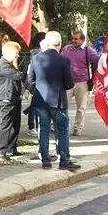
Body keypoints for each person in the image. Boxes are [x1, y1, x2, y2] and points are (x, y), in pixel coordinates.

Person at [28, 31, 80, 171]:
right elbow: (69, 83)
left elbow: (30, 80)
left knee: (43, 130)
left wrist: (37, 90)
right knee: (62, 131)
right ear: (59, 44)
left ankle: (45, 160)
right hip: (57, 100)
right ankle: (64, 160)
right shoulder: (63, 60)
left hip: (40, 100)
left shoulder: (36, 58)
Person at [61, 32, 100, 136]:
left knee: (81, 107)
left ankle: (77, 128)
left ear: (82, 40)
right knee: (63, 106)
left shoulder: (88, 50)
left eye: (76, 39)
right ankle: (62, 126)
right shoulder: (67, 49)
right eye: (73, 38)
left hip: (82, 82)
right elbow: (60, 61)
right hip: (67, 82)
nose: (73, 40)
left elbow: (98, 60)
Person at [0, 41, 25, 160]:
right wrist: (20, 71)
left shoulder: (9, 63)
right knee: (5, 124)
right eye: (16, 53)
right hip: (7, 97)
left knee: (15, 124)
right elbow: (18, 75)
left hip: (14, 97)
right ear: (8, 52)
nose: (17, 56)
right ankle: (1, 151)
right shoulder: (3, 65)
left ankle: (12, 148)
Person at [25, 31, 47, 137]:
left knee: (34, 104)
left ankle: (33, 125)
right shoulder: (38, 52)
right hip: (37, 81)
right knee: (35, 105)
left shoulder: (33, 51)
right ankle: (33, 126)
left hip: (33, 80)